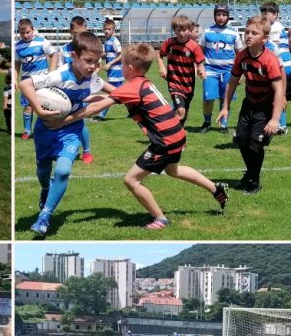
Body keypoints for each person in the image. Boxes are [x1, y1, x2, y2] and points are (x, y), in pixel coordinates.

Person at [51, 42, 229, 230]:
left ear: (128, 68)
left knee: (132, 180)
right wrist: (81, 97)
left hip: (165, 141)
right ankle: (215, 188)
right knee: (173, 170)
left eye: (122, 66)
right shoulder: (143, 82)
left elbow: (97, 107)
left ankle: (160, 219)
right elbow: (110, 96)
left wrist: (63, 121)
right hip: (177, 134)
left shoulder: (132, 88)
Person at [19, 31, 115, 236]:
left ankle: (44, 216)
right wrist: (38, 109)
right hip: (46, 129)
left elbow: (114, 92)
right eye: (88, 61)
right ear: (74, 55)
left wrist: (136, 93)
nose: (92, 67)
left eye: (96, 62)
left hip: (71, 130)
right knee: (43, 172)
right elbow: (24, 84)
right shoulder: (59, 75)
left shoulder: (93, 79)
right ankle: (45, 190)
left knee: (62, 171)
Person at [217, 16, 283, 195]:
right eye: (246, 32)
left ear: (264, 38)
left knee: (255, 144)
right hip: (249, 104)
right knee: (241, 141)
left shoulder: (269, 60)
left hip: (265, 107)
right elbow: (232, 82)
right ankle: (250, 175)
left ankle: (254, 179)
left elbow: (279, 90)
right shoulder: (242, 56)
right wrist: (225, 107)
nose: (248, 35)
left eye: (254, 33)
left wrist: (275, 119)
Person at [53, 16, 93, 163]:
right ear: (70, 32)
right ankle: (64, 148)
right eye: (75, 33)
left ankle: (87, 151)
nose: (78, 36)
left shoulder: (90, 50)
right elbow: (59, 72)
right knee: (62, 121)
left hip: (81, 91)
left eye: (81, 33)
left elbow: (95, 69)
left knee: (80, 121)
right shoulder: (63, 50)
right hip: (65, 93)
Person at [199, 4, 243, 134]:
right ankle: (207, 122)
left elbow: (240, 55)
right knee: (208, 98)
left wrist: (239, 74)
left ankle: (223, 125)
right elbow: (199, 52)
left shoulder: (234, 33)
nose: (221, 17)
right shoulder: (207, 32)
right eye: (218, 14)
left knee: (225, 98)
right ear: (214, 16)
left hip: (228, 71)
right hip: (210, 70)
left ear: (228, 16)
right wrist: (200, 66)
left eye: (224, 15)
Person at [157, 15, 206, 125]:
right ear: (174, 30)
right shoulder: (170, 42)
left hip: (188, 85)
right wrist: (162, 67)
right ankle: (166, 131)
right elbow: (159, 55)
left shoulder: (194, 46)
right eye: (178, 30)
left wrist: (201, 70)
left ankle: (176, 134)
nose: (182, 33)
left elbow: (200, 62)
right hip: (174, 82)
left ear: (190, 30)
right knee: (180, 110)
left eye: (184, 30)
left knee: (183, 113)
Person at [15, 18, 57, 139]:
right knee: (28, 107)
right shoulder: (17, 46)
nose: (25, 35)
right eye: (22, 33)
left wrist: (52, 73)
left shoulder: (42, 41)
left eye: (28, 32)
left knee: (44, 105)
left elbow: (54, 54)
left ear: (33, 30)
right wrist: (15, 79)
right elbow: (16, 64)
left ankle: (45, 130)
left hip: (42, 81)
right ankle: (27, 131)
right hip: (26, 82)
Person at [260, 2, 291, 134]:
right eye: (263, 13)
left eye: (267, 13)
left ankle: (281, 124)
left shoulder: (274, 29)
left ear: (275, 15)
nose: (264, 15)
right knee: (277, 94)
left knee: (277, 95)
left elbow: (270, 47)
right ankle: (280, 123)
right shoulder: (279, 27)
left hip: (281, 66)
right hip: (285, 64)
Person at [94, 18, 124, 123]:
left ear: (113, 30)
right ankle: (138, 109)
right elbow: (105, 54)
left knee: (112, 95)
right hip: (112, 72)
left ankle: (101, 116)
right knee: (122, 95)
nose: (106, 31)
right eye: (105, 29)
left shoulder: (115, 41)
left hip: (116, 72)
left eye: (109, 29)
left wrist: (110, 64)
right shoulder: (107, 41)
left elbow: (121, 55)